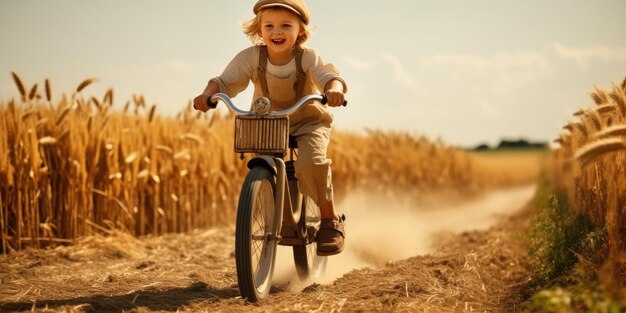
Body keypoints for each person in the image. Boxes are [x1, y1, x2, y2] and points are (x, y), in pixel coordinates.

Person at [193, 0, 347, 256]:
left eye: (286, 25)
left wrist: (334, 90)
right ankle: (286, 222)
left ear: (300, 31)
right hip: (270, 122)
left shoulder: (307, 57)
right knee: (267, 162)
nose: (277, 31)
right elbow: (225, 81)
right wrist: (207, 95)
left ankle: (330, 221)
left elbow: (327, 76)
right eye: (269, 25)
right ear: (259, 30)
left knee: (311, 163)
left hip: (309, 121)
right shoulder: (251, 57)